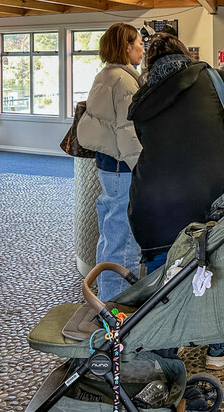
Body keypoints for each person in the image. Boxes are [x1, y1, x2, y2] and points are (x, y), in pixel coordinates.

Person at [127, 32, 224, 369]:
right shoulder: (207, 76)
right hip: (208, 195)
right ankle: (219, 346)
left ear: (149, 64)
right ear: (185, 55)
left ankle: (168, 345)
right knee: (216, 266)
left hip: (152, 202)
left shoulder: (141, 98)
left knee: (163, 275)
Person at [76, 23, 144, 302]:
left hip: (109, 166)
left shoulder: (105, 75)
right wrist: (143, 168)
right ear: (127, 47)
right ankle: (117, 305)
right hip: (123, 168)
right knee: (124, 238)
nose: (142, 48)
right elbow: (128, 132)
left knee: (110, 233)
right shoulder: (125, 81)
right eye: (139, 43)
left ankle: (105, 294)